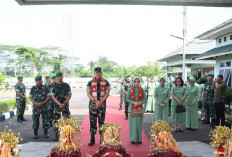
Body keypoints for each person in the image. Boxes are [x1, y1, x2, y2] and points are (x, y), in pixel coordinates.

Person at [86, 67, 110, 146]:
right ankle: (92, 139)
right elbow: (89, 93)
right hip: (93, 105)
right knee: (92, 122)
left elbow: (107, 93)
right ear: (94, 73)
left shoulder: (106, 82)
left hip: (102, 105)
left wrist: (100, 102)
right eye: (97, 72)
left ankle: (102, 139)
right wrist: (95, 101)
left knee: (101, 122)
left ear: (101, 73)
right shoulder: (90, 82)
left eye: (100, 72)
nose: (98, 73)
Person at [126, 76, 147, 144]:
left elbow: (145, 99)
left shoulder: (142, 90)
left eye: (138, 81)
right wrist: (133, 103)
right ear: (133, 82)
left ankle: (139, 139)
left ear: (139, 82)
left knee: (139, 124)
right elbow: (127, 99)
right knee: (133, 125)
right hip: (132, 109)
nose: (136, 83)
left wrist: (139, 103)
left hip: (139, 109)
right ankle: (133, 139)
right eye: (135, 81)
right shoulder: (130, 90)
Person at [52, 71, 72, 141]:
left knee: (66, 119)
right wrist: (59, 104)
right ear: (56, 78)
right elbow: (53, 96)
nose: (60, 77)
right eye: (58, 76)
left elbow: (69, 95)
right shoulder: (54, 86)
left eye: (61, 76)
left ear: (62, 77)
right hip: (57, 106)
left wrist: (64, 103)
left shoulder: (66, 85)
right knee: (57, 120)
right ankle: (56, 135)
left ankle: (67, 134)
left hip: (65, 105)